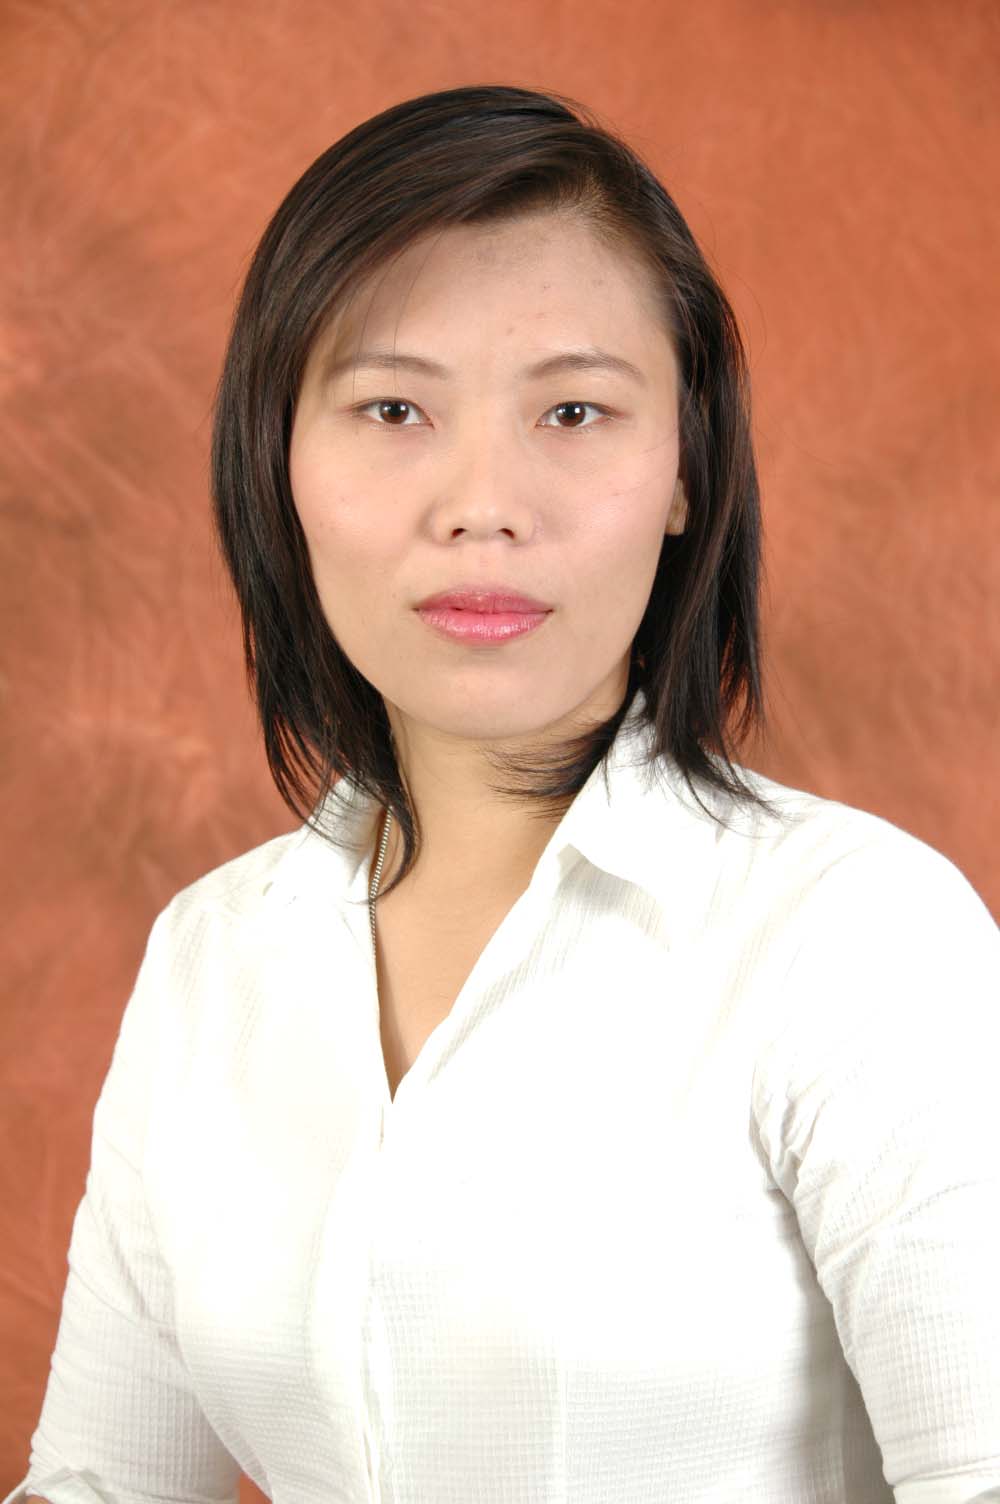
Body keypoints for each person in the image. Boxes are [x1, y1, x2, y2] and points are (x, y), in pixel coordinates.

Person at [8, 83, 999, 1504]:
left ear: (686, 470)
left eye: (575, 411)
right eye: (393, 408)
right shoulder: (210, 959)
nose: (483, 503)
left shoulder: (858, 937)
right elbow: (106, 1484)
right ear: (278, 460)